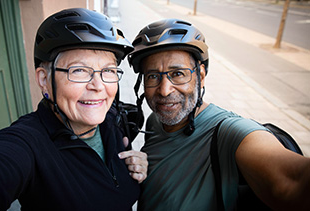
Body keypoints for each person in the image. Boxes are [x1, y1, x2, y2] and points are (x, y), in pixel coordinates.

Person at [0, 8, 147, 210]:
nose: (99, 86)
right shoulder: (30, 144)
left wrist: (137, 164)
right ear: (44, 80)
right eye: (80, 70)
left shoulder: (113, 119)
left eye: (108, 70)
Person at [128, 19, 310, 210]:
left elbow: (293, 183)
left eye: (178, 74)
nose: (164, 90)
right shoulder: (155, 121)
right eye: (153, 76)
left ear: (201, 76)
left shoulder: (230, 132)